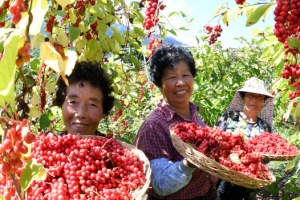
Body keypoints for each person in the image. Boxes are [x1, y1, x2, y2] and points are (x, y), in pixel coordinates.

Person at [133, 45, 218, 200]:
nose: (180, 83)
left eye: (185, 75)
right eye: (172, 77)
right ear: (159, 85)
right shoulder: (154, 127)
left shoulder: (193, 114)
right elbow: (159, 185)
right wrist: (189, 163)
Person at [214, 77, 274, 200]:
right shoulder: (229, 117)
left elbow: (266, 158)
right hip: (221, 175)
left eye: (259, 97)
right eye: (250, 95)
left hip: (247, 181)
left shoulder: (265, 127)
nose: (254, 100)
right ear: (243, 98)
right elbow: (213, 139)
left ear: (264, 101)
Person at [54, 61, 115, 136]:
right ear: (62, 105)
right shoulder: (47, 144)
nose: (81, 114)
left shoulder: (111, 146)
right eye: (73, 102)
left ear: (103, 112)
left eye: (92, 105)